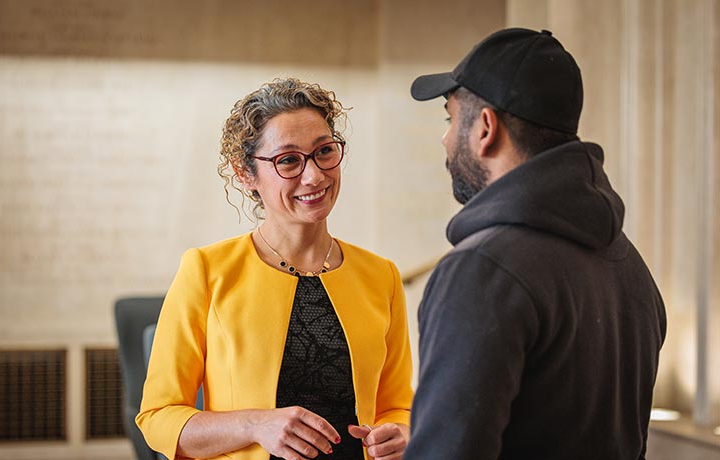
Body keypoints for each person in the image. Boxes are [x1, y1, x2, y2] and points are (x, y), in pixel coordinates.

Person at [404, 28, 667, 459]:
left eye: (450, 119)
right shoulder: (629, 265)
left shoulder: (481, 270)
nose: (446, 140)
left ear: (485, 128)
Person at [136, 77, 413, 460]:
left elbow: (398, 406)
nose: (314, 175)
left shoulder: (381, 276)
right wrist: (254, 424)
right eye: (288, 160)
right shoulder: (206, 271)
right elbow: (158, 419)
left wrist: (401, 432)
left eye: (324, 151)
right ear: (246, 173)